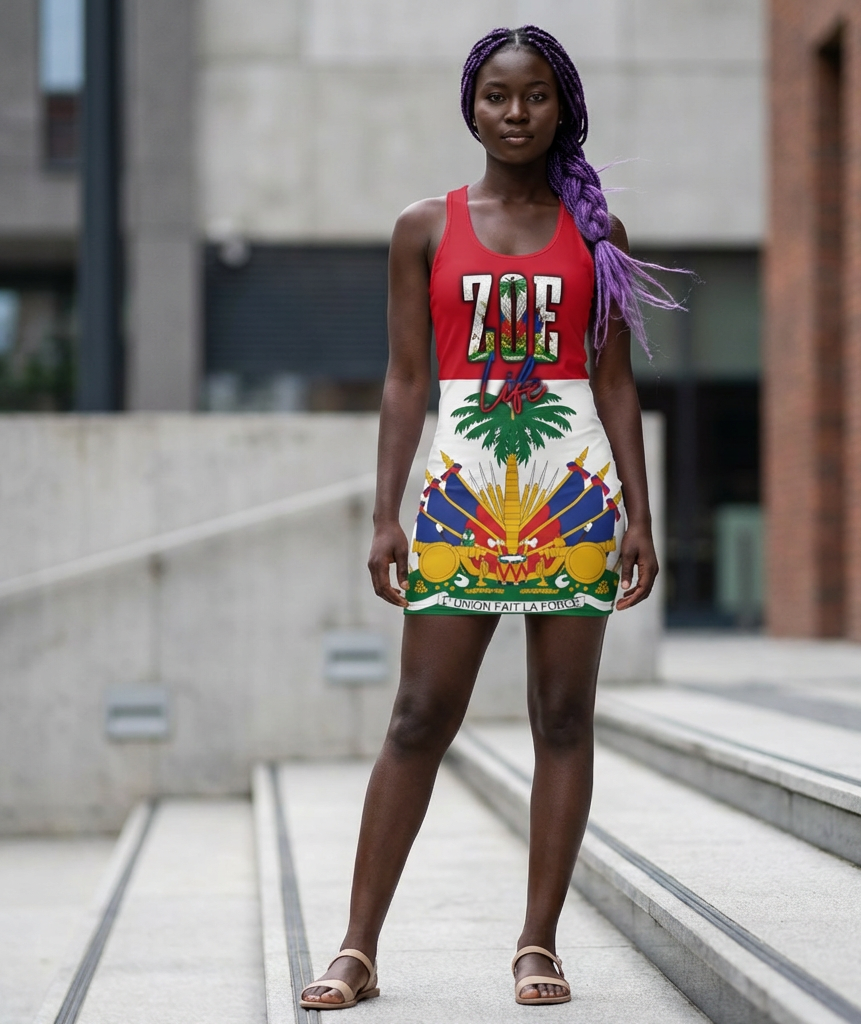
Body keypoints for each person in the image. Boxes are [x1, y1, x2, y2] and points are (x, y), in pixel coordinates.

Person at [301, 24, 678, 1010]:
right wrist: (385, 514)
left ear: (564, 107)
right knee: (418, 717)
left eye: (535, 96)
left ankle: (537, 944)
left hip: (573, 500)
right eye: (497, 96)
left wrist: (639, 516)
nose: (515, 113)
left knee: (563, 719)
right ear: (469, 105)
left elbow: (615, 385)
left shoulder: (597, 236)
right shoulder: (423, 227)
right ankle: (355, 947)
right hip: (461, 497)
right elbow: (403, 378)